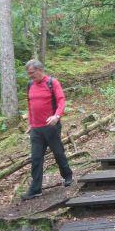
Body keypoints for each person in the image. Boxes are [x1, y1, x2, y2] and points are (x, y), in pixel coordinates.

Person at [21, 59, 73, 200]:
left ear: (39, 70)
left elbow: (61, 100)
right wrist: (31, 124)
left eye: (32, 73)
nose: (30, 75)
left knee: (58, 152)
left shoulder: (52, 83)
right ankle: (35, 189)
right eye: (28, 73)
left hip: (51, 127)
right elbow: (30, 104)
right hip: (36, 130)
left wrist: (57, 116)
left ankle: (68, 176)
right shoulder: (30, 84)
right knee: (36, 158)